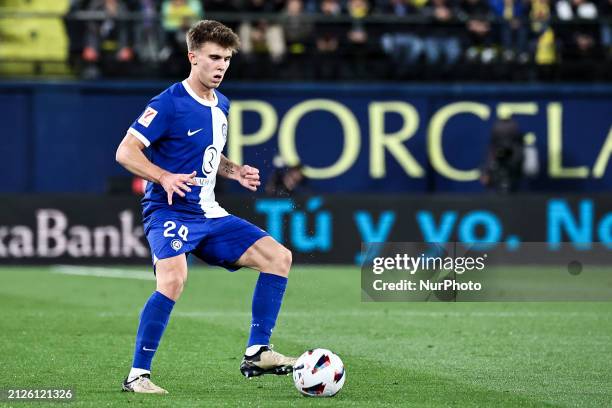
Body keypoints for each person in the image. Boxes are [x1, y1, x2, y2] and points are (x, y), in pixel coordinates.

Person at [115, 20, 296, 394]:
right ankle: (138, 376)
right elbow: (125, 152)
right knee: (173, 280)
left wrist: (233, 171)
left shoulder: (221, 104)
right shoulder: (168, 103)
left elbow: (208, 154)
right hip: (169, 211)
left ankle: (258, 351)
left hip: (209, 213)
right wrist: (163, 177)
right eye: (214, 57)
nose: (221, 66)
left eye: (227, 59)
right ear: (192, 57)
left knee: (278, 257)